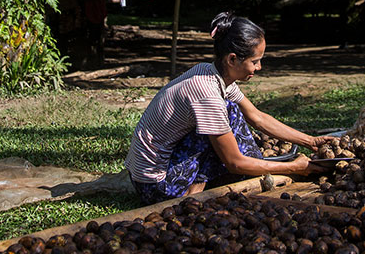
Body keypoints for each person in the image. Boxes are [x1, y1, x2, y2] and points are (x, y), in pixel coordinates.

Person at [125, 12, 336, 205]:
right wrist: (294, 167)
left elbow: (257, 117)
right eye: (255, 62)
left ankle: (220, 177)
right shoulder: (207, 94)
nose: (259, 68)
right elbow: (234, 162)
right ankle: (191, 193)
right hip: (155, 186)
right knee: (226, 125)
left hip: (147, 172)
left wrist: (310, 141)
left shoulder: (210, 72)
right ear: (233, 59)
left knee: (232, 112)